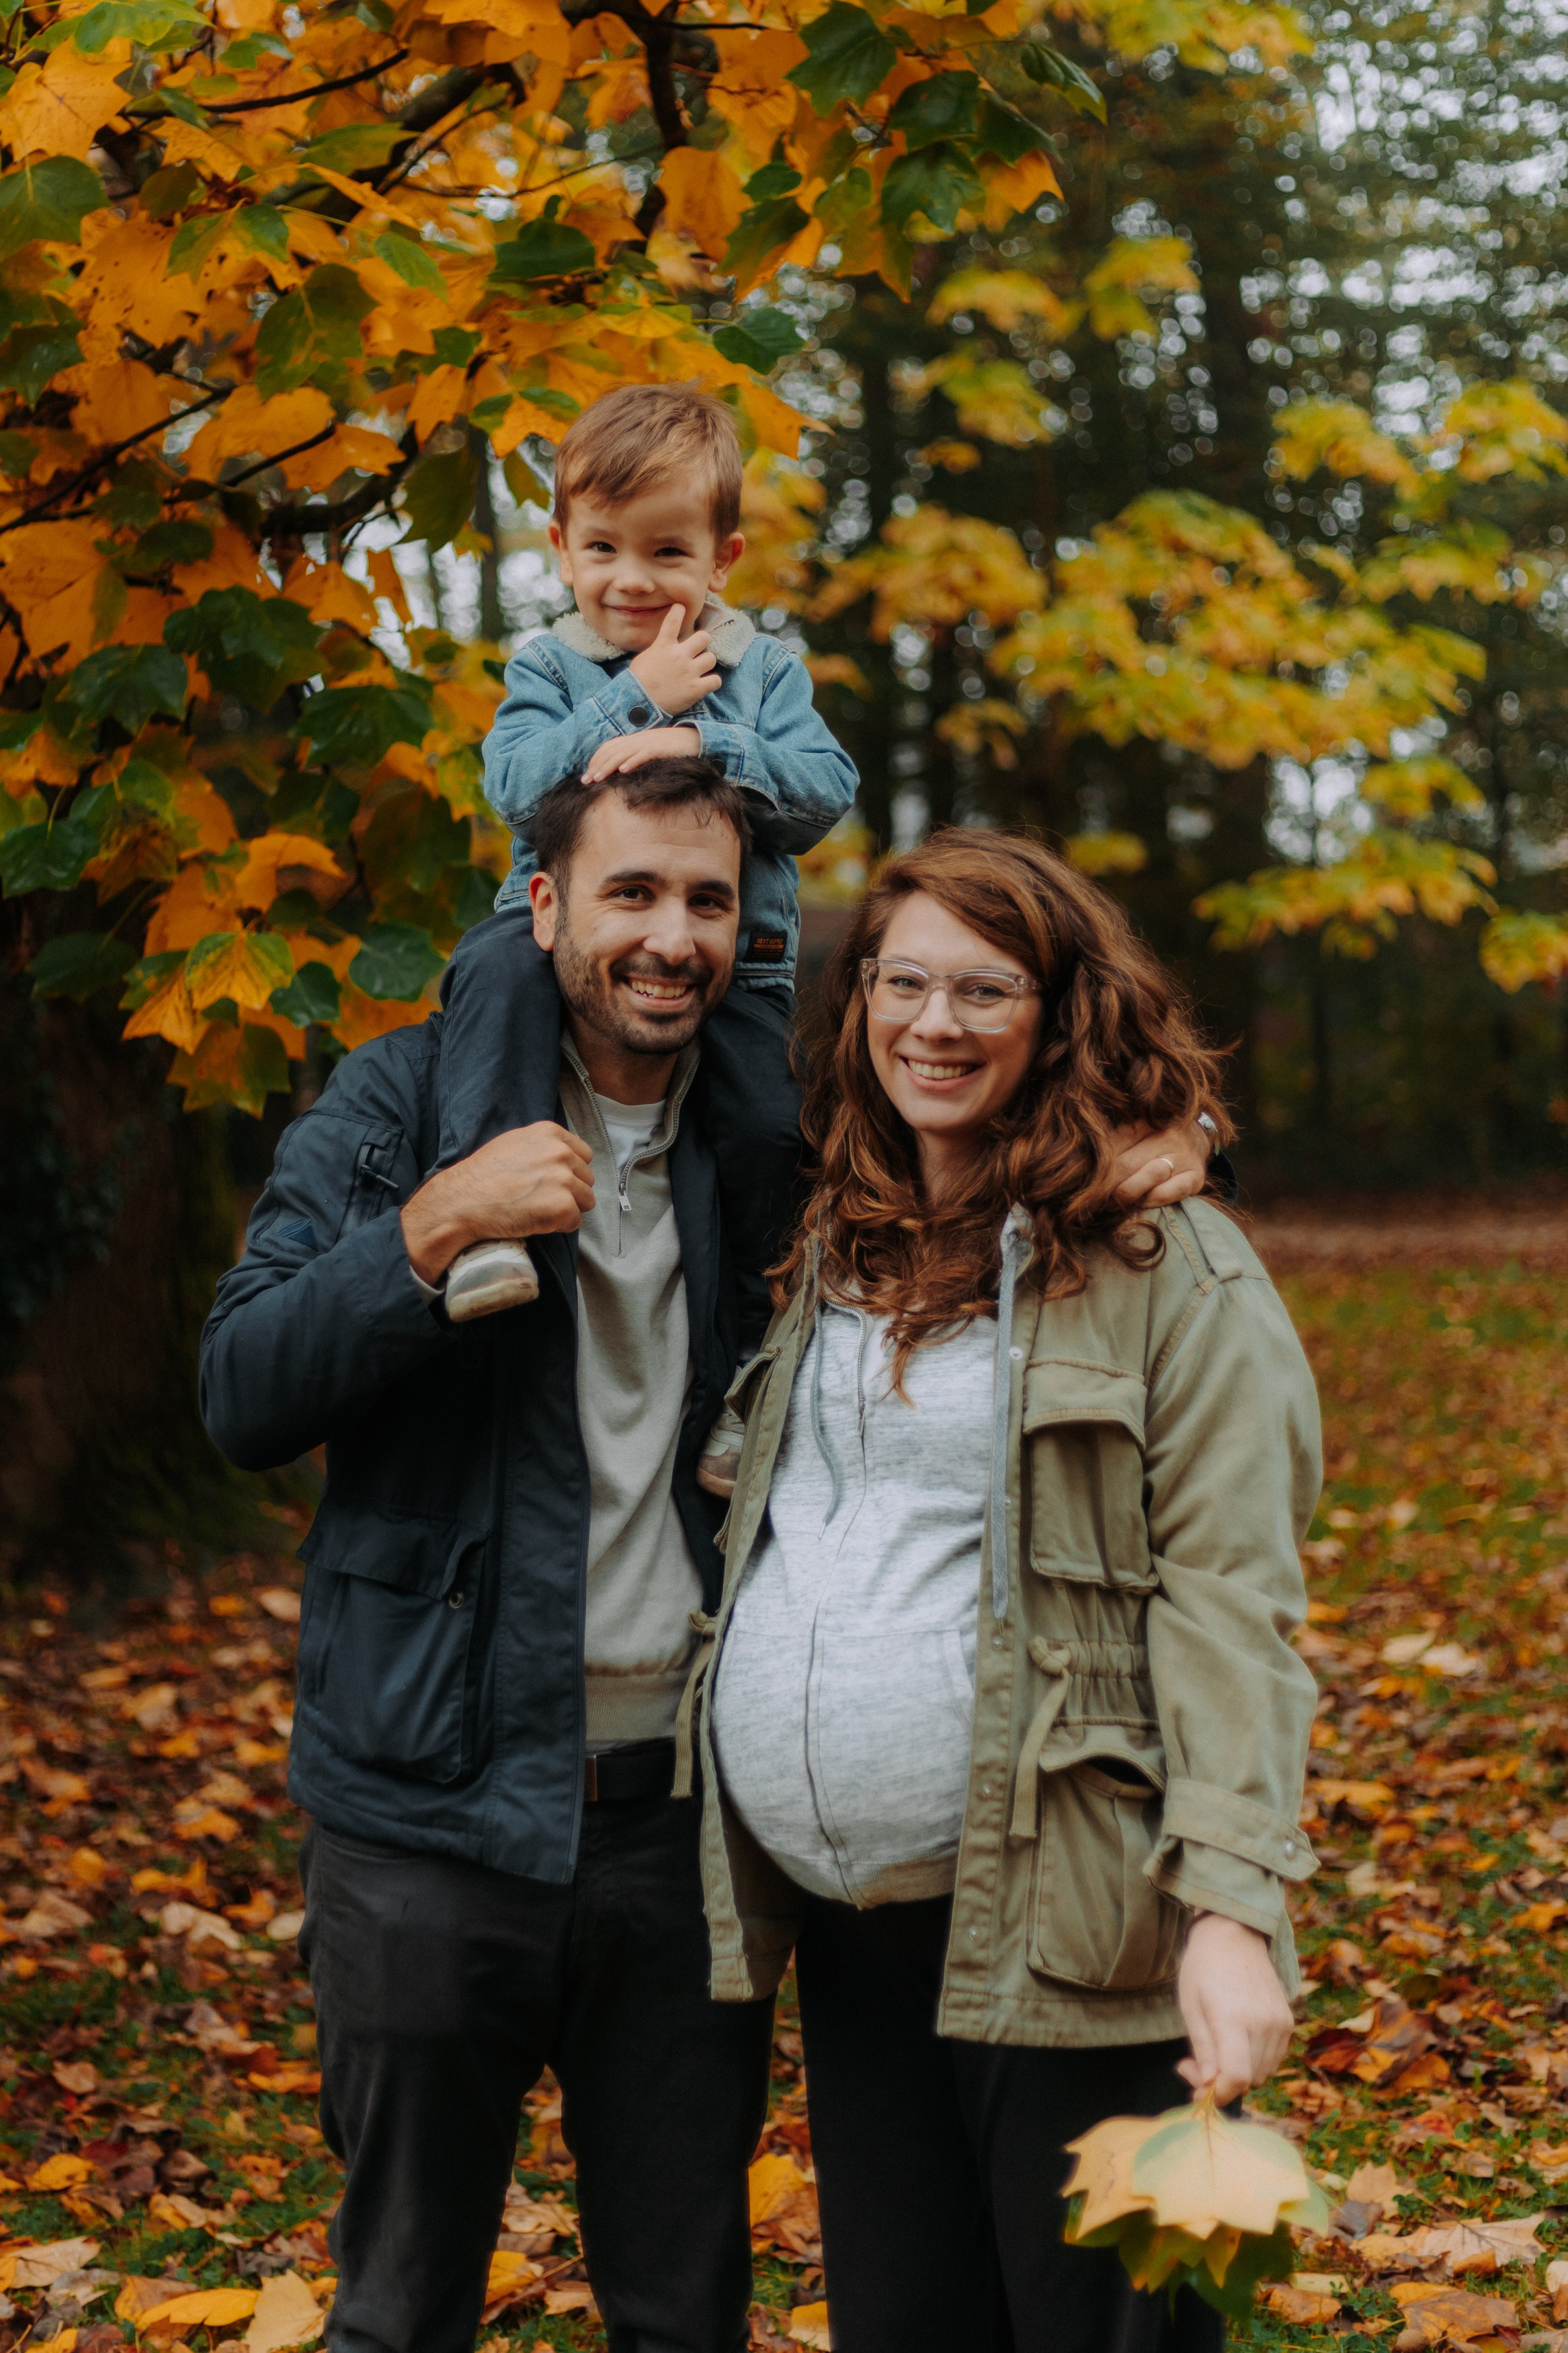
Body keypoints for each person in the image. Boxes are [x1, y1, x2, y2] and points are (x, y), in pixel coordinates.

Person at [679, 830, 1322, 2352]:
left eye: (985, 988)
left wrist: (1231, 1903)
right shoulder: (833, 1239)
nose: (935, 1023)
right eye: (903, 982)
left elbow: (1235, 1596)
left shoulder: (1172, 1263)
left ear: (1062, 1013)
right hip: (854, 1928)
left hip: (1074, 1922)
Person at [200, 759, 782, 2353]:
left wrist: (1184, 1150)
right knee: (398, 2312)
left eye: (708, 900)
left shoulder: (772, 1131)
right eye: (633, 893)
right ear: (544, 907)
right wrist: (432, 1227)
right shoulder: (400, 1104)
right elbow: (242, 1392)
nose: (672, 937)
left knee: (684, 2314)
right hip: (427, 1816)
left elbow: (1007, 1121)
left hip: (678, 1828)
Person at [434, 383, 858, 1429]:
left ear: (721, 560)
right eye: (605, 549)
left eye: (667, 553)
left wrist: (707, 739)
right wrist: (636, 700)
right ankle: (485, 1230)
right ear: (563, 547)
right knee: (484, 1003)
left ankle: (744, 1383)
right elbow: (517, 791)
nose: (631, 580)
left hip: (736, 959)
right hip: (548, 941)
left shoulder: (763, 671)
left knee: (764, 1134)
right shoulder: (545, 667)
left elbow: (825, 793)